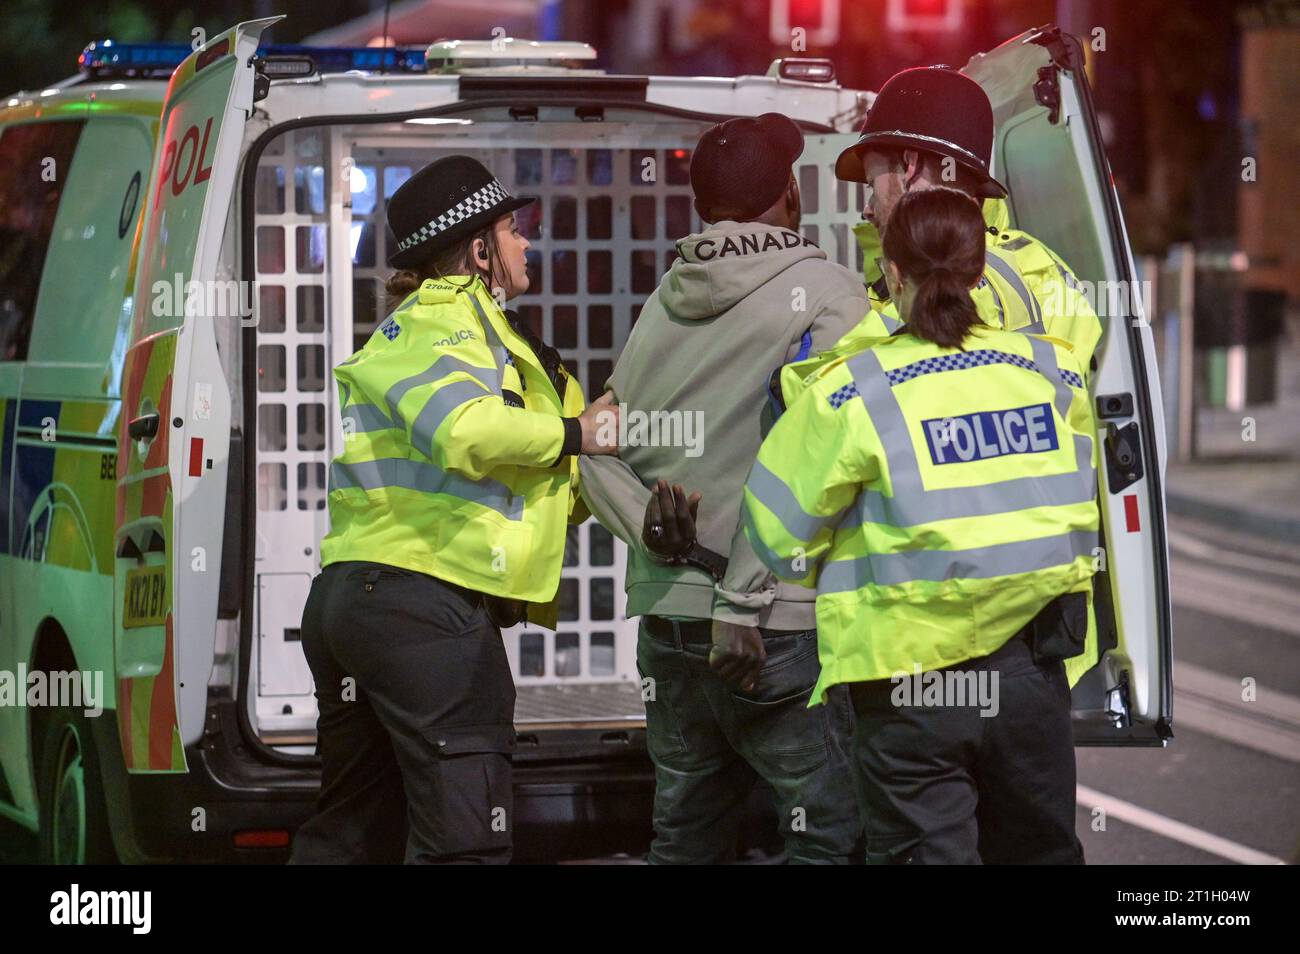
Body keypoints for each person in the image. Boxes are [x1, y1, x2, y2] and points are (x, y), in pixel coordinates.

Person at [741, 187, 1099, 864]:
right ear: (979, 267)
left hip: (910, 688)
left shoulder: (852, 390)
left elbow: (774, 528)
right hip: (1030, 675)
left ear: (893, 274)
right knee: (1041, 852)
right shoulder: (1052, 370)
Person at [289, 155, 618, 864]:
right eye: (513, 229)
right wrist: (574, 433)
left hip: (377, 607)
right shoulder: (439, 321)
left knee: (355, 832)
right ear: (477, 250)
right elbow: (463, 431)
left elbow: (539, 483)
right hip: (417, 612)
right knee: (465, 841)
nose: (527, 243)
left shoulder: (511, 348)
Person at [578, 113, 866, 864]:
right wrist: (742, 596)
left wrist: (648, 522)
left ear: (702, 210)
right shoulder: (832, 296)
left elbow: (589, 446)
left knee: (685, 836)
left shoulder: (663, 301)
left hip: (670, 626)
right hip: (774, 624)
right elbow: (816, 457)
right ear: (792, 198)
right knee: (828, 835)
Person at [830, 66, 1102, 385]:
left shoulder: (950, 276)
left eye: (871, 184)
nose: (868, 209)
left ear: (910, 166)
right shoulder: (1039, 268)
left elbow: (843, 381)